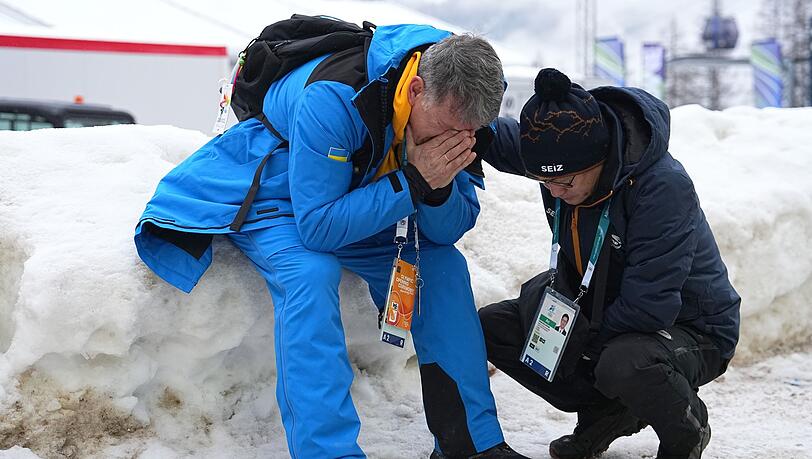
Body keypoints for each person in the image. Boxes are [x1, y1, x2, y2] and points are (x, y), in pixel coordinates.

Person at [134, 19, 527, 459]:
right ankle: (328, 451)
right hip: (282, 190)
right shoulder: (334, 96)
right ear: (416, 89)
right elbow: (317, 227)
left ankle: (470, 444)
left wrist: (434, 187)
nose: (451, 141)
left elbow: (447, 231)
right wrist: (413, 181)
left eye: (465, 134)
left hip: (367, 195)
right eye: (443, 128)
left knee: (443, 268)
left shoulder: (460, 115)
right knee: (310, 272)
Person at [478, 68, 741, 459]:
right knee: (492, 327)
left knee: (623, 363)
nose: (555, 192)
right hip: (602, 308)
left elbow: (650, 305)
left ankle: (686, 429)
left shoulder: (662, 187)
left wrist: (575, 344)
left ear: (600, 159)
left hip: (688, 326)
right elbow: (494, 138)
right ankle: (607, 412)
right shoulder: (555, 150)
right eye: (544, 182)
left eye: (565, 183)